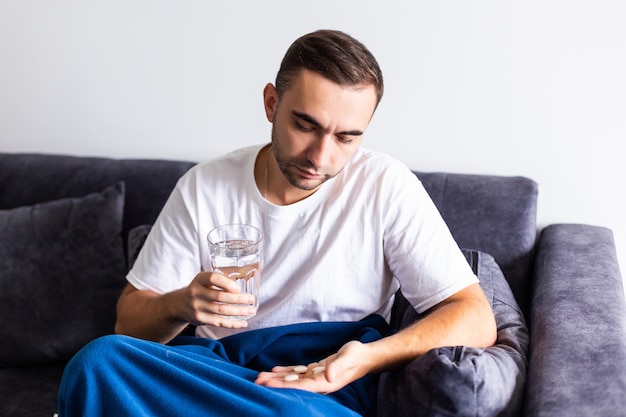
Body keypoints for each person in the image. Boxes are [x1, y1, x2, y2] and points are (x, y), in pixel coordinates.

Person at [58, 29, 496, 416]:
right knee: (98, 361)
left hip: (325, 380)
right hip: (217, 368)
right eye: (305, 125)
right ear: (271, 103)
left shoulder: (385, 185)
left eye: (346, 137)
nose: (321, 157)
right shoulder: (204, 186)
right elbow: (128, 326)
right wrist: (180, 305)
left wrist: (364, 358)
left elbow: (475, 317)